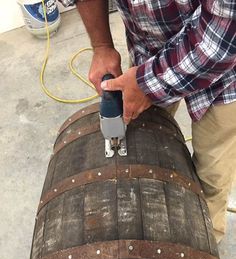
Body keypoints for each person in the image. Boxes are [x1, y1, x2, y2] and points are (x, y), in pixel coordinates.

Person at [60, 0, 236, 243]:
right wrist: (101, 46)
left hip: (225, 68)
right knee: (141, 149)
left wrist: (147, 85)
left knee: (211, 176)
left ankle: (204, 252)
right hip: (148, 54)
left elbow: (225, 33)